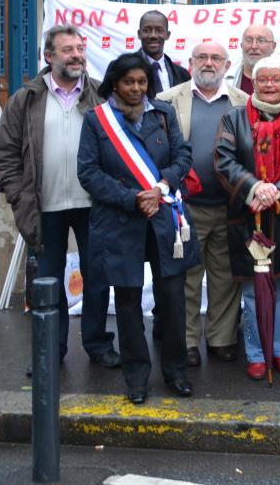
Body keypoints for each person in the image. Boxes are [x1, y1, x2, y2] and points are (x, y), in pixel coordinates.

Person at [0, 24, 119, 372]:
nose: (77, 55)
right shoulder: (26, 98)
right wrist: (17, 195)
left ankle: (97, 344)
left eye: (80, 48)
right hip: (43, 207)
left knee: (97, 277)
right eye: (68, 50)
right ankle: (51, 348)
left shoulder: (98, 94)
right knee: (48, 281)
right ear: (50, 56)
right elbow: (4, 151)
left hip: (93, 204)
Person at [77, 53, 198, 404]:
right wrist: (134, 198)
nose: (136, 88)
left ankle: (175, 372)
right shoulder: (97, 121)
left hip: (163, 219)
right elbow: (89, 173)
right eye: (129, 82)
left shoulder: (163, 114)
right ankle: (136, 377)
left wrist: (159, 189)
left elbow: (183, 156)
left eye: (142, 81)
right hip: (120, 222)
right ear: (115, 82)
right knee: (128, 302)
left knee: (172, 299)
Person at [215, 56, 280, 381]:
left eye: (276, 80)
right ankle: (258, 354)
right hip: (250, 217)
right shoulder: (234, 118)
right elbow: (223, 160)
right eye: (264, 80)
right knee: (252, 289)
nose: (271, 85)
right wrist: (256, 188)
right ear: (254, 83)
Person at [157, 42, 247, 367]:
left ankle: (223, 339)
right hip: (185, 207)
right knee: (188, 277)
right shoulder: (168, 100)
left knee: (225, 277)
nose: (209, 63)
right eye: (202, 57)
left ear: (226, 64)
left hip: (229, 206)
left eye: (216, 58)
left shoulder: (243, 102)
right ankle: (188, 341)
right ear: (191, 61)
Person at [138, 10, 190, 95]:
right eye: (147, 30)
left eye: (159, 30)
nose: (153, 35)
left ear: (167, 35)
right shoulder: (122, 70)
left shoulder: (182, 75)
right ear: (139, 34)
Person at [229, 25, 277, 94]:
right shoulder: (225, 79)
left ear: (273, 46)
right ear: (241, 46)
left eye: (261, 41)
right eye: (248, 41)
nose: (254, 46)